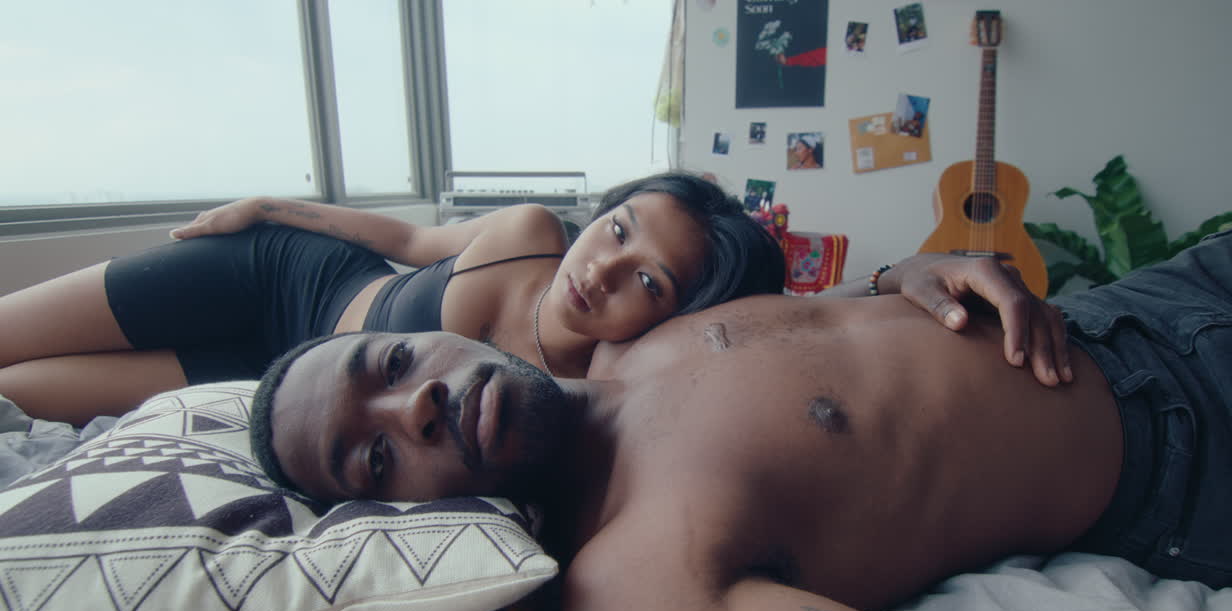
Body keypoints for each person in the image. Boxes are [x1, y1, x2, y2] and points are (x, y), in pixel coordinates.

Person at [247, 211, 1232, 611]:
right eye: (374, 455)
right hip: (1209, 451)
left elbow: (818, 334)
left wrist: (904, 273)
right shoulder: (639, 587)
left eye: (389, 363)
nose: (412, 401)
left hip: (1148, 301)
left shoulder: (630, 335)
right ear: (399, 519)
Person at [0, 172, 786, 427]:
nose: (602, 271)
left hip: (271, 373)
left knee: (17, 393)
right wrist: (272, 210)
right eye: (618, 229)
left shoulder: (591, 394)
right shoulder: (529, 231)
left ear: (671, 319)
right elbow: (408, 244)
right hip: (277, 273)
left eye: (649, 282)